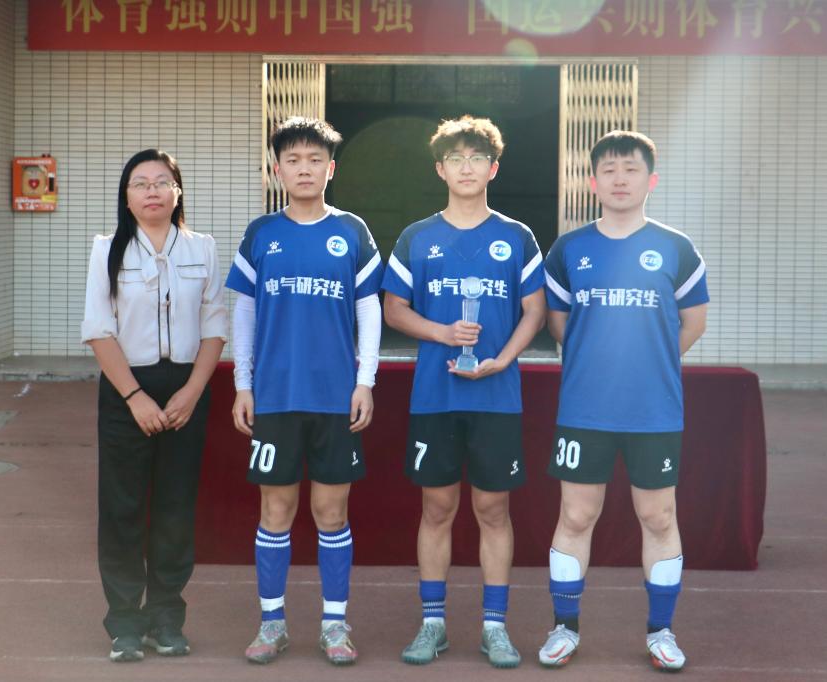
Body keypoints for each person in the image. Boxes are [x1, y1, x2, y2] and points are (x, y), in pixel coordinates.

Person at [536, 131, 709, 671]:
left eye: (630, 169)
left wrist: (647, 362)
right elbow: (559, 324)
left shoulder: (677, 248)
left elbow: (693, 322)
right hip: (584, 408)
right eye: (608, 170)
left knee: (658, 515)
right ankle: (564, 628)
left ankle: (662, 632)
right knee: (576, 513)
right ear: (593, 182)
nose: (619, 178)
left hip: (653, 410)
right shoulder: (569, 249)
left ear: (650, 180)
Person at [382, 115, 546, 669]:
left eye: (477, 158)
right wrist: (442, 333)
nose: (467, 167)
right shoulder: (417, 236)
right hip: (436, 395)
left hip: (497, 396)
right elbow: (394, 308)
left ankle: (494, 627)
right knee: (437, 507)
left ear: (493, 169)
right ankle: (433, 624)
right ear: (440, 169)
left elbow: (534, 310)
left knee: (493, 508)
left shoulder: (516, 236)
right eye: (456, 158)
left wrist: (502, 359)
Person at [226, 117, 383, 666]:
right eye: (292, 160)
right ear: (277, 170)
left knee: (331, 512)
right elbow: (244, 313)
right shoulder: (261, 233)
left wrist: (365, 381)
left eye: (315, 160)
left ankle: (334, 625)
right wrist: (242, 384)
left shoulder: (353, 232)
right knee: (276, 508)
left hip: (335, 398)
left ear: (330, 169)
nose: (304, 169)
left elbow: (369, 310)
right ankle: (272, 623)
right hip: (274, 396)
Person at [81, 149, 227, 662]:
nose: (151, 191)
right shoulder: (107, 250)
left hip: (187, 387)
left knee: (174, 507)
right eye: (140, 183)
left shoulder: (203, 248)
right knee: (122, 508)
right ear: (126, 197)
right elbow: (99, 330)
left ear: (177, 191)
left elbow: (215, 325)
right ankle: (124, 622)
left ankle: (166, 618)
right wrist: (135, 397)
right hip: (128, 387)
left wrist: (193, 390)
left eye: (162, 182)